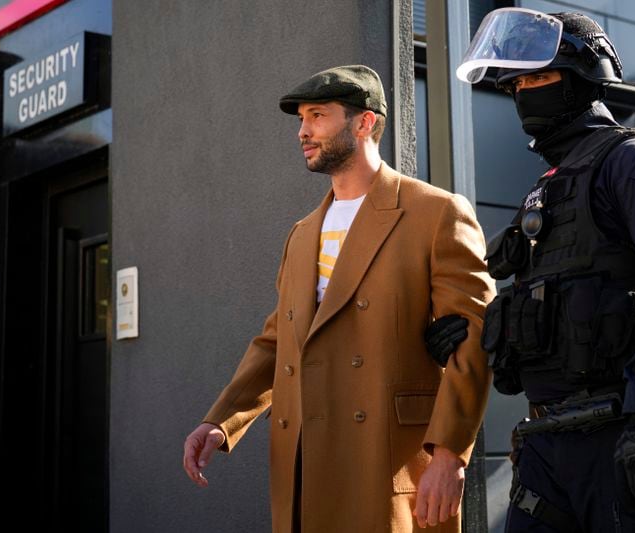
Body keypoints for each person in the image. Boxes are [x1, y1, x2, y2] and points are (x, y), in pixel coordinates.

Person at [182, 65, 495, 533]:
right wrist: (222, 421)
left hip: (389, 463)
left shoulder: (437, 213)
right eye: (301, 119)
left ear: (364, 122)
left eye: (317, 115)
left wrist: (450, 455)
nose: (303, 131)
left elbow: (473, 338)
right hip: (305, 465)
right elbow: (276, 342)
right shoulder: (301, 234)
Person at [445, 8, 635, 532]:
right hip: (550, 443)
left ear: (582, 79)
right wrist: (459, 333)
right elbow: (543, 307)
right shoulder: (547, 188)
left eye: (540, 77)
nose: (525, 92)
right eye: (518, 81)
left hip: (629, 436)